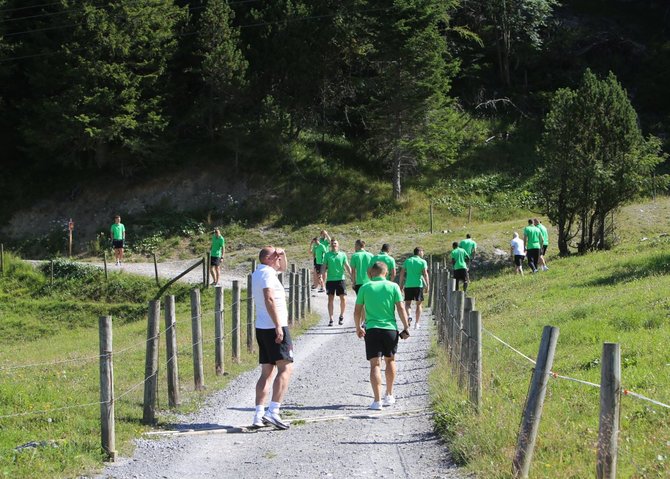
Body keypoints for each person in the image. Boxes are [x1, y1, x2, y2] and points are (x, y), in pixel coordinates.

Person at [354, 261, 410, 410]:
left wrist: (358, 327)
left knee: (375, 364)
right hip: (390, 329)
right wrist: (406, 327)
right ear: (386, 273)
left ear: (372, 272)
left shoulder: (365, 287)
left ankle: (377, 400)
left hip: (372, 329)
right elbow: (401, 308)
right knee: (390, 360)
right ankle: (389, 394)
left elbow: (357, 311)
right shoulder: (393, 286)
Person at [251, 246, 293, 430]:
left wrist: (283, 254)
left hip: (261, 326)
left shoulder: (258, 272)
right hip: (274, 326)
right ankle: (273, 411)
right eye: (276, 257)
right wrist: (278, 325)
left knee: (267, 372)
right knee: (286, 368)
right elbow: (269, 298)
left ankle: (258, 415)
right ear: (268, 258)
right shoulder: (267, 274)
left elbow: (283, 268)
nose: (279, 259)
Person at [399, 247, 430, 329]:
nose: (423, 253)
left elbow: (402, 273)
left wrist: (401, 285)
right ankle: (417, 323)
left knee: (407, 304)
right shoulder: (423, 261)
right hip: (418, 285)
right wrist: (427, 285)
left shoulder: (408, 261)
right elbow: (425, 274)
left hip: (408, 285)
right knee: (419, 305)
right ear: (419, 252)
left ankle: (409, 315)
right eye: (423, 251)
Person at [323, 239, 352, 326]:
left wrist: (352, 276)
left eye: (335, 243)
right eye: (332, 243)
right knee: (330, 299)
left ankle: (341, 316)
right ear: (330, 245)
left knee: (343, 298)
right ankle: (331, 319)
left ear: (338, 245)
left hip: (340, 279)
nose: (333, 245)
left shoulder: (342, 254)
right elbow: (324, 266)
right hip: (330, 280)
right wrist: (321, 275)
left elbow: (347, 266)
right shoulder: (327, 255)